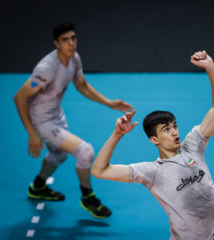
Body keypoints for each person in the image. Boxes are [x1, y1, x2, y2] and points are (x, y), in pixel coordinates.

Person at [91, 50, 214, 239]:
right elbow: (99, 171)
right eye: (166, 129)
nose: (174, 132)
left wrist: (211, 67)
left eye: (174, 126)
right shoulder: (153, 172)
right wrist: (116, 135)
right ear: (154, 140)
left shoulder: (192, 146)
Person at [14, 21, 133, 219]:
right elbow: (19, 97)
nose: (70, 43)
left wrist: (110, 103)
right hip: (42, 122)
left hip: (57, 117)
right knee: (85, 151)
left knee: (58, 155)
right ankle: (88, 197)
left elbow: (82, 85)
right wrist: (32, 133)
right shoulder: (46, 68)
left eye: (73, 38)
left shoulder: (74, 58)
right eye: (64, 40)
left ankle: (37, 187)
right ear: (56, 43)